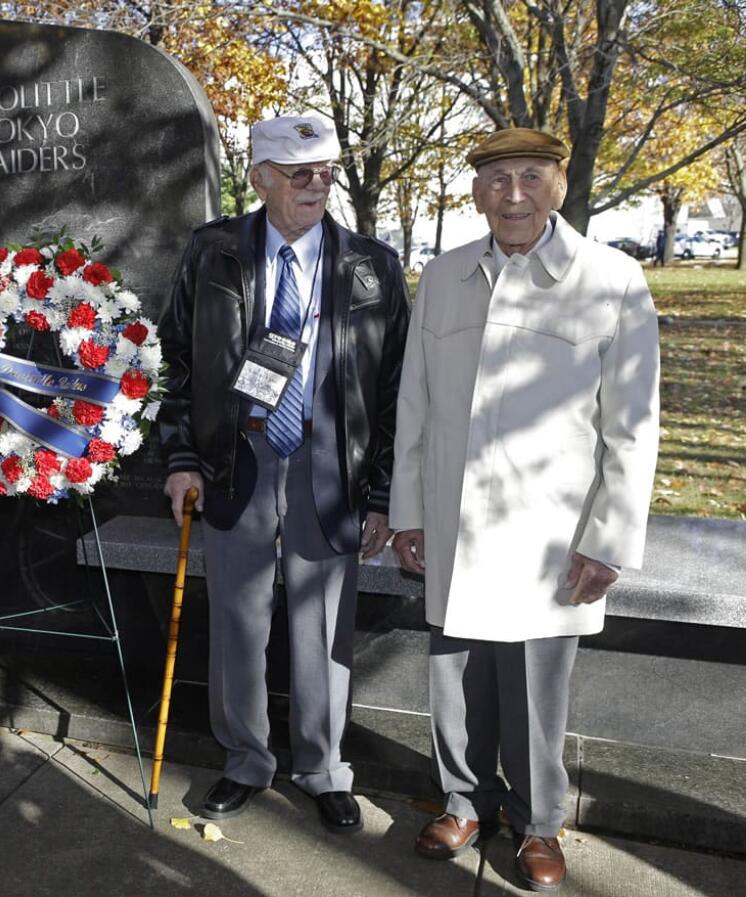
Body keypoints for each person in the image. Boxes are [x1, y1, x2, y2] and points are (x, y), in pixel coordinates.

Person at [389, 128, 660, 892]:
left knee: (540, 690)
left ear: (560, 185)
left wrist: (608, 538)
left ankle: (540, 823)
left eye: (530, 177)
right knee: (455, 678)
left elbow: (634, 425)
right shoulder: (442, 277)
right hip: (453, 518)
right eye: (497, 179)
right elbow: (415, 402)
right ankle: (463, 803)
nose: (513, 193)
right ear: (476, 191)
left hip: (552, 531)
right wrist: (408, 509)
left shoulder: (612, 278)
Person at [158, 115, 410, 833]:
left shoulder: (372, 265)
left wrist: (386, 491)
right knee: (236, 621)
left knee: (324, 624)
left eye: (325, 169)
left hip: (334, 461)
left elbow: (396, 389)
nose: (316, 182)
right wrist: (180, 457)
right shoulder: (212, 253)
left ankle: (323, 767)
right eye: (297, 171)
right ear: (260, 176)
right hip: (236, 457)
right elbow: (175, 359)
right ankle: (244, 760)